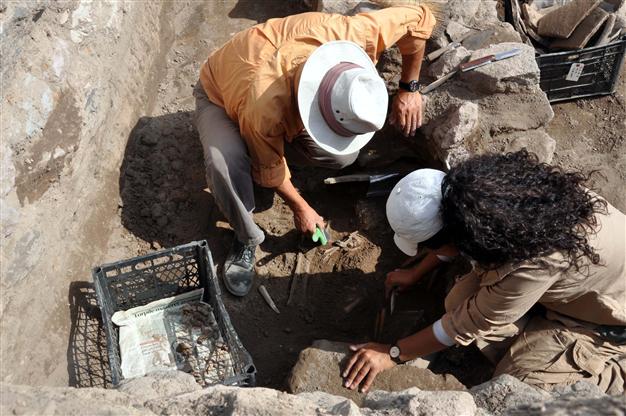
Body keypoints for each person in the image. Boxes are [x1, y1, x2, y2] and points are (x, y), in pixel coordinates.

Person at [193, 2, 441, 296]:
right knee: (226, 162)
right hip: (220, 94)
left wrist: (408, 88)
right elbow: (268, 170)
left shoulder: (356, 32)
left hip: (274, 89)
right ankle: (246, 237)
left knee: (343, 155)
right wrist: (301, 207)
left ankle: (280, 148)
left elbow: (420, 18)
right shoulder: (263, 107)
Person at [342, 151, 626, 394]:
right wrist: (417, 272)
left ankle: (609, 373)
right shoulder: (490, 196)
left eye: (426, 247)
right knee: (456, 301)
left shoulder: (531, 265)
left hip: (609, 323)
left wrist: (393, 353)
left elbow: (461, 325)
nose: (425, 252)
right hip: (583, 284)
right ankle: (533, 328)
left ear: (458, 237)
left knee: (522, 384)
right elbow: (449, 240)